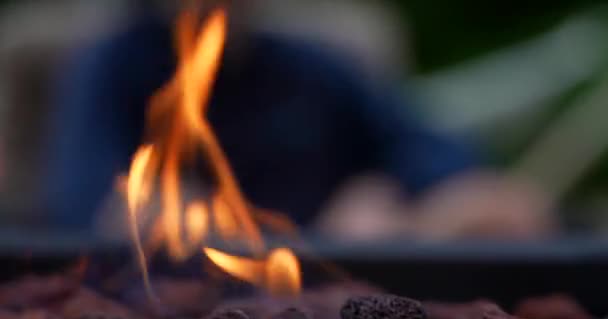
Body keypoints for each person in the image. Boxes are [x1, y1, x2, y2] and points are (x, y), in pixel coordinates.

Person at [43, 3, 554, 240]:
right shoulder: (111, 67)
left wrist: (445, 205)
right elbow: (84, 203)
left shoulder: (317, 68)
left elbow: (426, 152)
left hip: (342, 298)